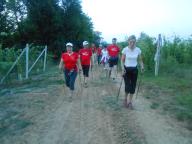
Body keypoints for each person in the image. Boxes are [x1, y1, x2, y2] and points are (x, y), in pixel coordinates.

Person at [121, 35, 144, 109]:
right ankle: (125, 99)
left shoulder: (138, 50)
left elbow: (140, 60)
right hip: (126, 69)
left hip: (134, 69)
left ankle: (130, 102)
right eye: (131, 42)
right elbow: (122, 60)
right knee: (127, 85)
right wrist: (122, 68)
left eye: (134, 42)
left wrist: (142, 66)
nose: (132, 43)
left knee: (133, 86)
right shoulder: (125, 49)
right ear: (128, 42)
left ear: (135, 42)